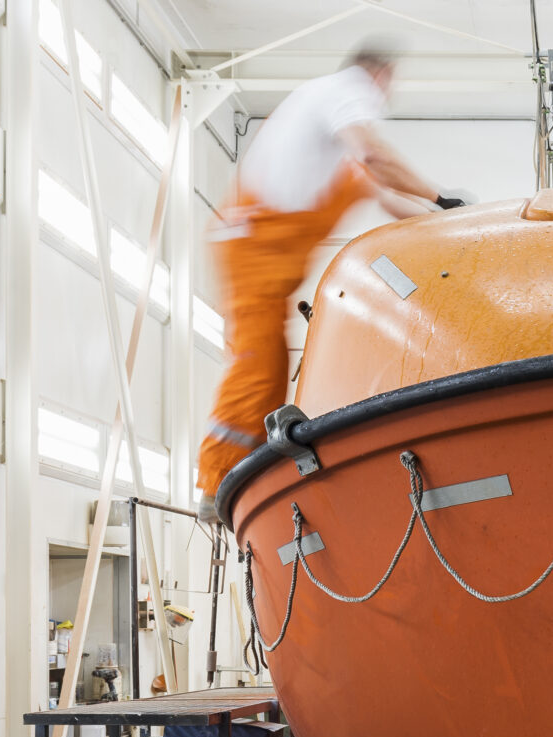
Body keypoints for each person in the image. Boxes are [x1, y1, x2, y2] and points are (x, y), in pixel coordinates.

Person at [197, 40, 467, 522]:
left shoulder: (336, 156)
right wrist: (442, 196)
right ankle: (217, 484)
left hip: (261, 249)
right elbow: (376, 155)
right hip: (252, 242)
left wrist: (449, 226)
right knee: (258, 363)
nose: (385, 96)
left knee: (270, 364)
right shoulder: (345, 90)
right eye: (387, 85)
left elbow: (386, 195)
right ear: (377, 75)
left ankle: (240, 474)